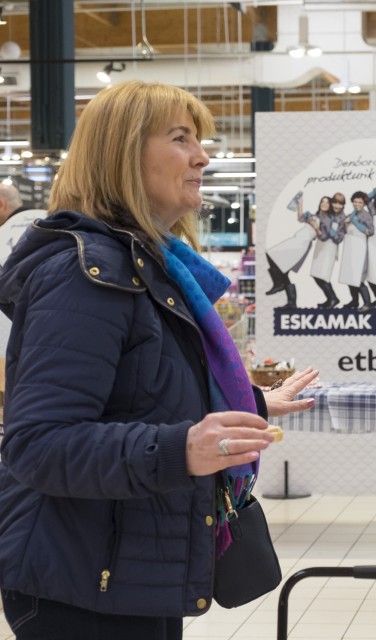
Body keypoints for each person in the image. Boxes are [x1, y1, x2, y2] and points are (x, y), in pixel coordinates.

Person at [0, 81, 319, 640]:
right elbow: (38, 443)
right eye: (180, 138)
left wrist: (247, 406)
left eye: (200, 140)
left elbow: (140, 392)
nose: (202, 156)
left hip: (126, 571)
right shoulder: (86, 275)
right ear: (124, 153)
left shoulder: (150, 269)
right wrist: (182, 449)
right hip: (81, 589)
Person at [264, 190, 317, 309]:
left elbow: (322, 234)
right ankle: (289, 298)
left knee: (281, 265)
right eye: (323, 203)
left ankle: (281, 287)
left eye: (326, 203)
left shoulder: (326, 220)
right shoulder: (312, 215)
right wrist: (300, 204)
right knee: (273, 257)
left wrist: (314, 226)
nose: (324, 205)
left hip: (302, 243)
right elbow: (300, 218)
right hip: (296, 240)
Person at [338, 189, 376, 310]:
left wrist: (354, 221)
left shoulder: (365, 215)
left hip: (360, 246)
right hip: (349, 246)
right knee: (349, 276)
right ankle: (354, 301)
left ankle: (367, 304)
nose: (357, 204)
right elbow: (345, 229)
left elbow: (370, 231)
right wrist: (346, 223)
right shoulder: (351, 214)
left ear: (364, 203)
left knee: (358, 278)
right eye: (355, 201)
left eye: (359, 202)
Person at [308, 194, 345, 309]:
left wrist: (319, 229)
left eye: (339, 203)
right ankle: (331, 298)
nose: (336, 205)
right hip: (321, 246)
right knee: (316, 274)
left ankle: (333, 299)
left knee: (323, 275)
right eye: (334, 202)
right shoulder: (324, 215)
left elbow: (333, 237)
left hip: (329, 247)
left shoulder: (337, 218)